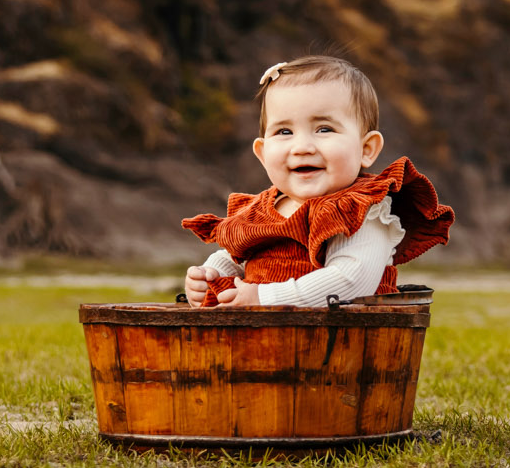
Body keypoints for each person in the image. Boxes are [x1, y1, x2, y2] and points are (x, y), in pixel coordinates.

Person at [181, 55, 452, 307]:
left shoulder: (359, 210)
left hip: (342, 345)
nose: (302, 147)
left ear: (366, 149)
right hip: (267, 344)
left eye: (324, 129)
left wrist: (264, 297)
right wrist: (211, 274)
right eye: (284, 131)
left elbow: (350, 282)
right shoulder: (258, 210)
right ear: (263, 154)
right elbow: (239, 255)